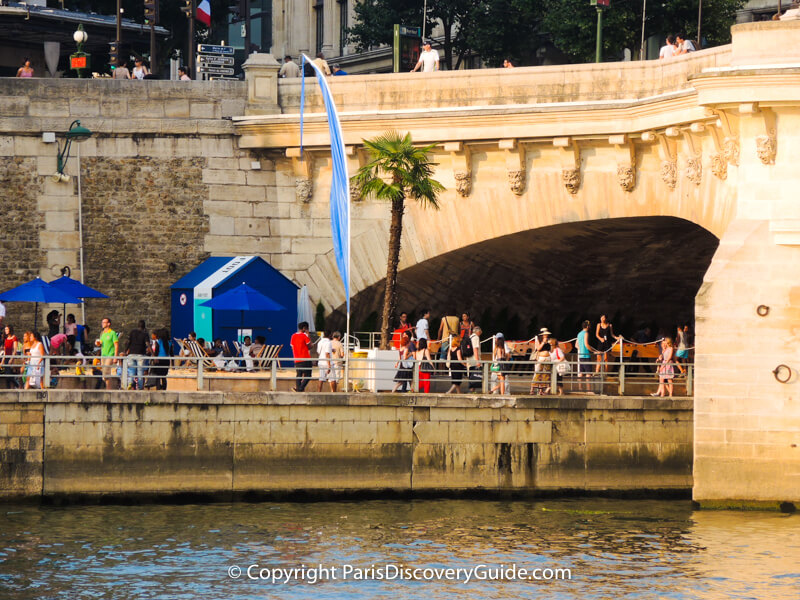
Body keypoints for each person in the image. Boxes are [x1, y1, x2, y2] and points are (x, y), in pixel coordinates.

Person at [96, 317, 119, 390]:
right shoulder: (102, 333)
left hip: (110, 354)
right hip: (103, 354)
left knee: (106, 371)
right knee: (105, 373)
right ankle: (108, 387)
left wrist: (115, 356)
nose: (102, 324)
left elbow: (116, 345)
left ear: (108, 324)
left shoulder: (112, 333)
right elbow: (101, 344)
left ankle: (108, 388)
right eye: (102, 322)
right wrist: (98, 343)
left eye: (104, 322)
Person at [125, 320, 149, 390]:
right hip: (140, 354)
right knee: (140, 372)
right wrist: (153, 354)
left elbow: (128, 342)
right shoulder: (145, 333)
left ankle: (130, 384)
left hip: (131, 353)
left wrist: (125, 351)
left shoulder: (132, 332)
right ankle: (140, 387)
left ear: (138, 325)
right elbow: (147, 344)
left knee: (131, 371)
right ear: (144, 326)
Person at [290, 322, 313, 392]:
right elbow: (310, 346)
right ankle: (300, 389)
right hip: (305, 358)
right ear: (304, 328)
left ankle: (298, 389)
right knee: (308, 375)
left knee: (299, 375)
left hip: (297, 359)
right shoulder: (304, 336)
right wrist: (308, 335)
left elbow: (292, 347)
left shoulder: (293, 336)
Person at [576, 320, 596, 393]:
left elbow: (576, 345)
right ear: (587, 326)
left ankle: (580, 389)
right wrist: (594, 351)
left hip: (581, 355)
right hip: (586, 355)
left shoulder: (579, 333)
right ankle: (589, 390)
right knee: (588, 373)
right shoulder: (586, 333)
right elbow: (587, 344)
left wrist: (581, 349)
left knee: (581, 373)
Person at [531, 328, 552, 395]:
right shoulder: (538, 340)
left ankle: (541, 390)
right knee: (537, 373)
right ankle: (532, 389)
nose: (546, 335)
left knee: (545, 374)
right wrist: (543, 342)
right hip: (541, 357)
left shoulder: (549, 341)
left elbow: (550, 349)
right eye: (545, 334)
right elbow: (538, 348)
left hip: (547, 358)